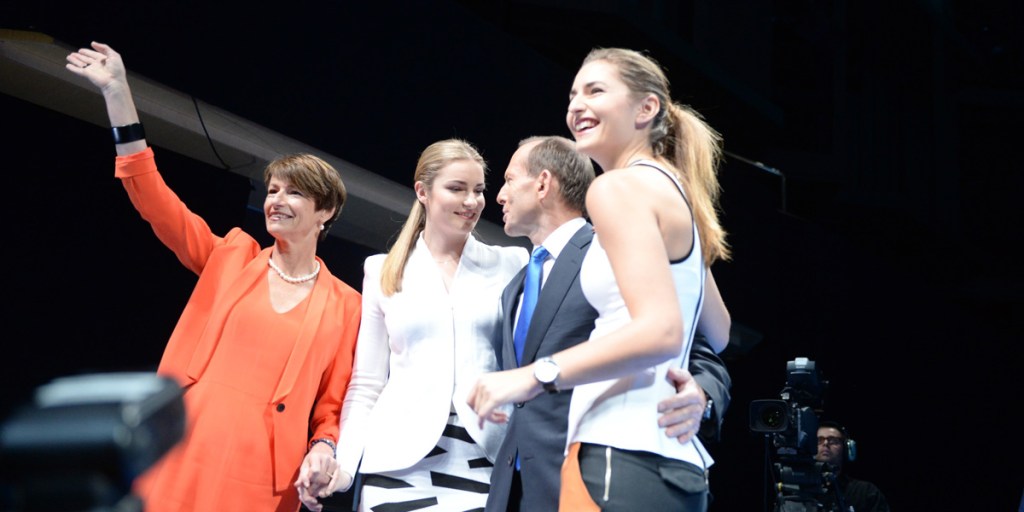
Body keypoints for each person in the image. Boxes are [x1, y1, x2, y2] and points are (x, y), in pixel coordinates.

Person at [65, 42, 360, 512]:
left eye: (295, 193)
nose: (276, 200)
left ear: (326, 211)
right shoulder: (232, 255)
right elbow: (155, 200)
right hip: (180, 447)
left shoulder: (348, 305)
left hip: (263, 472)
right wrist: (119, 95)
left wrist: (324, 449)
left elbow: (332, 406)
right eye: (272, 189)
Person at [469, 47, 731, 512]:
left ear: (646, 109)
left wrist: (532, 376)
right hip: (671, 465)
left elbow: (663, 330)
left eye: (595, 90)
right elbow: (717, 328)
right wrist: (699, 391)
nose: (576, 105)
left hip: (615, 454)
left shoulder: (615, 187)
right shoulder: (677, 195)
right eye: (572, 93)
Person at [331, 139, 528, 511]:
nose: (471, 202)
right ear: (422, 191)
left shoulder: (511, 264)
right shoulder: (382, 269)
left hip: (481, 462)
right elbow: (367, 383)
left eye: (479, 190)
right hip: (395, 465)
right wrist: (344, 465)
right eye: (457, 188)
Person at [816, 421, 891, 512]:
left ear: (847, 448)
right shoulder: (796, 490)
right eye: (819, 440)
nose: (825, 443)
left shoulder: (865, 492)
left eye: (833, 441)